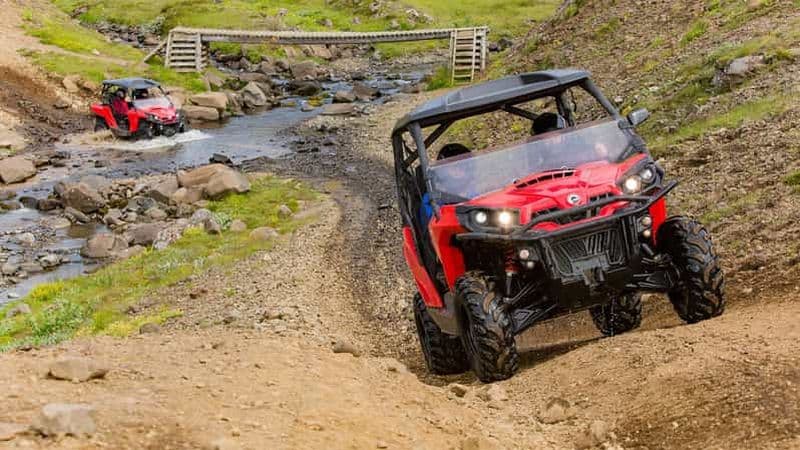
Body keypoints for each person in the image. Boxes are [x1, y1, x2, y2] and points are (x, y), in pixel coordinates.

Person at [419, 143, 472, 225]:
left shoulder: (476, 190)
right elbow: (434, 224)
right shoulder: (432, 199)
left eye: (464, 166)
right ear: (443, 169)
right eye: (454, 166)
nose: (459, 171)